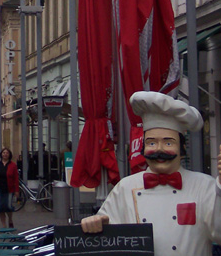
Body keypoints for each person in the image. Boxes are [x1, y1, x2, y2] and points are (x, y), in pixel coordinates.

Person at [81, 91, 221, 256]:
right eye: (152, 142)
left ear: (182, 149)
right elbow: (108, 236)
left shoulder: (205, 186)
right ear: (143, 148)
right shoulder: (125, 188)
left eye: (168, 142)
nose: (159, 149)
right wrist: (95, 224)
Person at [0, 146, 20, 228]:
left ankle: (10, 219)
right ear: (1, 154)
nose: (5, 154)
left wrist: (17, 190)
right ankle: (4, 226)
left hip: (9, 188)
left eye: (7, 153)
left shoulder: (13, 165)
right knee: (0, 207)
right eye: (3, 153)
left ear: (9, 155)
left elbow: (16, 179)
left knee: (8, 206)